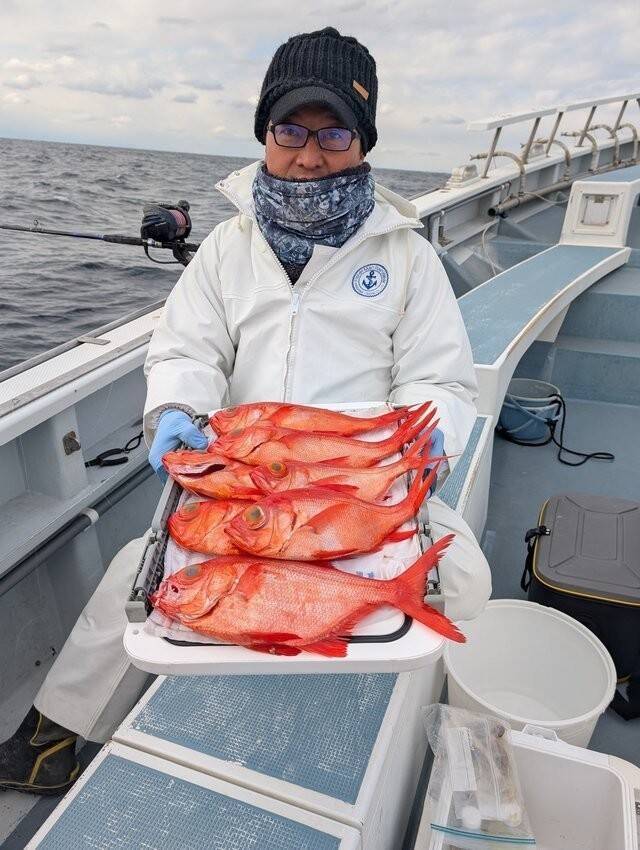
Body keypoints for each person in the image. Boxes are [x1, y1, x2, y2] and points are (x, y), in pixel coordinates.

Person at [0, 26, 491, 796]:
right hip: (246, 486)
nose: (309, 152)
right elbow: (186, 352)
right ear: (266, 134)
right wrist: (177, 408)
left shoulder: (408, 256)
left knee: (465, 577)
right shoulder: (229, 248)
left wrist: (420, 451)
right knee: (137, 575)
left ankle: (442, 745)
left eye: (334, 131)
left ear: (361, 143)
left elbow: (441, 382)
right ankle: (57, 732)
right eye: (289, 129)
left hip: (362, 486)